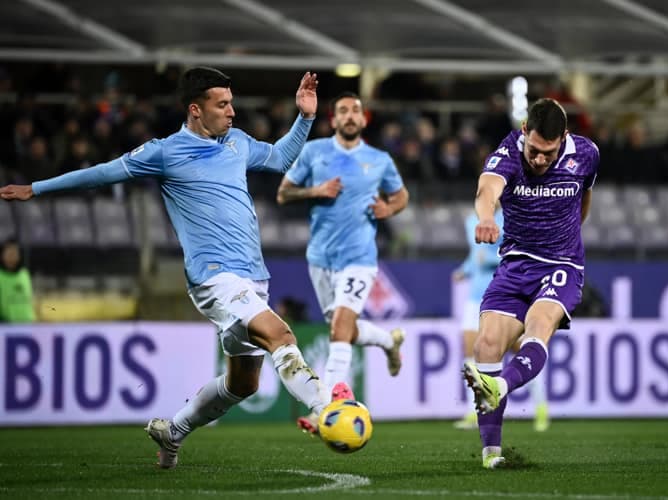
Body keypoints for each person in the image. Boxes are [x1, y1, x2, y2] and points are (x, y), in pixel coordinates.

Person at [0, 67, 339, 469]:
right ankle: (325, 410)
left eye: (232, 103)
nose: (232, 112)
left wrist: (305, 117)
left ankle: (172, 431)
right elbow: (101, 174)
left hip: (251, 276)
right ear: (196, 109)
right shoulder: (165, 152)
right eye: (223, 104)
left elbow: (282, 157)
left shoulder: (237, 143)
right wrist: (36, 188)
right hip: (214, 276)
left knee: (242, 384)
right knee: (281, 334)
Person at [462, 98, 599, 469]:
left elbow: (584, 199)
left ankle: (500, 387)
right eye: (535, 151)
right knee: (487, 346)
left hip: (561, 265)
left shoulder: (586, 155)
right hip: (515, 265)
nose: (539, 160)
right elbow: (486, 190)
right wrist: (487, 217)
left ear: (564, 139)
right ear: (525, 133)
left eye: (548, 153)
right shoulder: (507, 154)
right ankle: (492, 455)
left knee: (539, 326)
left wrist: (568, 236)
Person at [276, 91, 409, 434]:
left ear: (364, 120)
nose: (350, 116)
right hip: (320, 259)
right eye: (343, 111)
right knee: (344, 330)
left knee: (340, 328)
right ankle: (388, 342)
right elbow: (283, 193)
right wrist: (314, 191)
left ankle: (329, 408)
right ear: (333, 120)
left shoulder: (378, 159)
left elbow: (401, 195)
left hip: (360, 258)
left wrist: (389, 209)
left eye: (356, 111)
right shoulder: (313, 152)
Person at [452, 206, 549, 432]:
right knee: (469, 351)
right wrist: (464, 270)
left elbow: (517, 254)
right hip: (475, 294)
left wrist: (489, 260)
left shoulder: (511, 216)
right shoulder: (471, 220)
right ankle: (474, 410)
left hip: (500, 293)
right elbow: (474, 254)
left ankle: (541, 407)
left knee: (517, 348)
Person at [0, 238, 36, 323]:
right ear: (2, 255)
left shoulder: (25, 274)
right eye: (9, 253)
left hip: (28, 325)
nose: (12, 256)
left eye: (15, 253)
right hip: (7, 328)